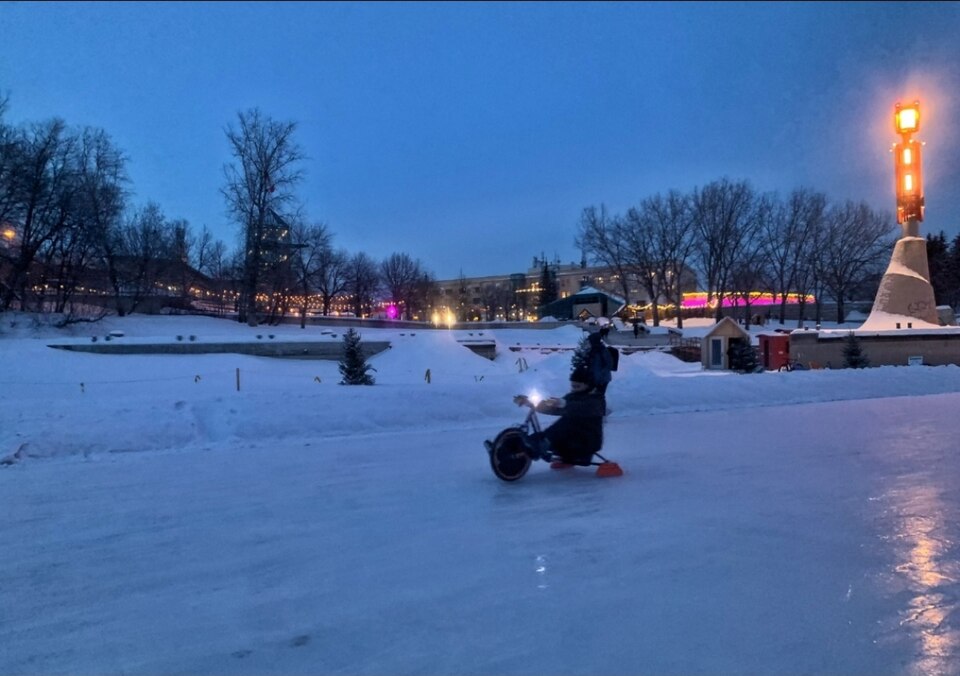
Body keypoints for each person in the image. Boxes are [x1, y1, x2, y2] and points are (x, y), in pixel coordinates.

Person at [513, 365, 605, 466]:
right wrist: (531, 403)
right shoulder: (572, 396)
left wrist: (564, 404)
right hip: (569, 440)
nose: (574, 389)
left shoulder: (596, 399)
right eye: (573, 386)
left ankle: (543, 443)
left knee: (567, 421)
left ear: (588, 385)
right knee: (562, 424)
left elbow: (580, 408)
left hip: (586, 442)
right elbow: (555, 407)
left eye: (577, 386)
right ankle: (523, 444)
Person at [587, 325, 613, 399]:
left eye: (590, 341)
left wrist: (601, 377)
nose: (589, 342)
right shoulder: (593, 350)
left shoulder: (602, 350)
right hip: (595, 378)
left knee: (599, 396)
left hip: (602, 379)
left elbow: (609, 364)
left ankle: (601, 409)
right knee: (595, 396)